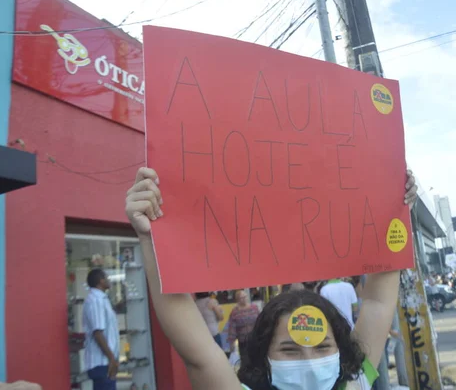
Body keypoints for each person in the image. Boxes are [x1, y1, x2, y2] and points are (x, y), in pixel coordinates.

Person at [124, 167, 417, 390]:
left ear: (342, 349)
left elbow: (379, 302)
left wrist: (396, 207)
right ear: (264, 356)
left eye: (323, 347)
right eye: (289, 350)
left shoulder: (356, 383)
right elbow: (197, 353)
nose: (310, 364)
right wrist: (151, 237)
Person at [83, 269, 120, 390]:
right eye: (107, 278)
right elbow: (98, 332)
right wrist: (111, 359)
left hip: (106, 362)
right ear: (101, 281)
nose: (109, 280)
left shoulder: (102, 299)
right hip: (101, 362)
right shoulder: (96, 300)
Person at [227, 290, 260, 358]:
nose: (244, 299)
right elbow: (232, 328)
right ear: (238, 300)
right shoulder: (235, 312)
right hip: (243, 342)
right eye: (241, 297)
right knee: (246, 361)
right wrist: (232, 343)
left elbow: (260, 321)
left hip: (255, 339)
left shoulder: (254, 308)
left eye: (245, 296)